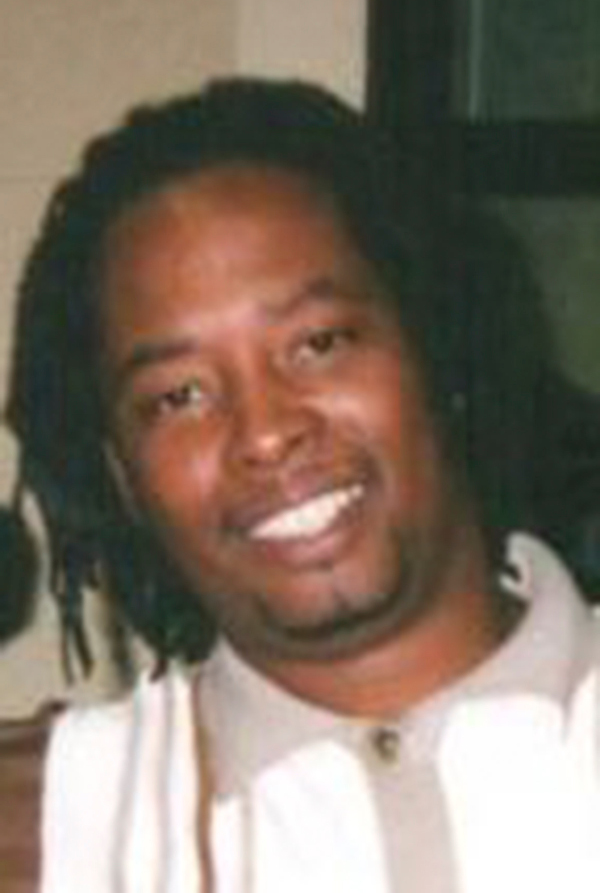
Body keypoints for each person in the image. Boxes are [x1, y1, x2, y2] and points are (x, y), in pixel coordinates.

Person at [2, 77, 600, 892]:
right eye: (178, 396)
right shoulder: (48, 832)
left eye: (318, 343)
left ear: (437, 348)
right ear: (122, 477)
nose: (264, 432)